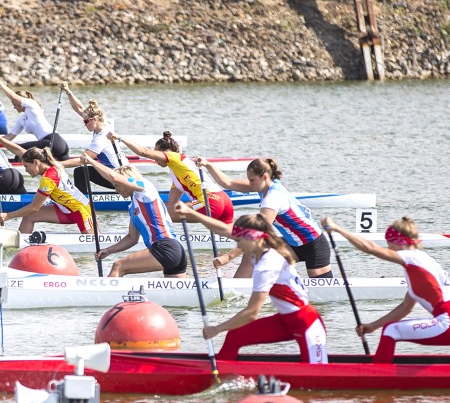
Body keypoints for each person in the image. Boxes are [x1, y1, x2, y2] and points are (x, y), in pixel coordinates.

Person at [321, 215, 450, 365]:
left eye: (389, 245)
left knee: (391, 330)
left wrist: (337, 229)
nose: (388, 249)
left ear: (399, 242)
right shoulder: (422, 265)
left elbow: (371, 248)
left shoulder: (412, 256)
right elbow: (405, 308)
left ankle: (377, 378)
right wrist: (373, 326)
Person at [181, 212, 328, 364]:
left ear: (253, 238)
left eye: (239, 240)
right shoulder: (259, 250)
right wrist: (190, 213)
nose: (237, 244)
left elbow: (252, 313)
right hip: (284, 320)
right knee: (236, 335)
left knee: (316, 380)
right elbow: (223, 229)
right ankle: (221, 373)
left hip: (307, 325)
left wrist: (217, 329)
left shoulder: (267, 266)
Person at [199, 157, 332, 280]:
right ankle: (236, 291)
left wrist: (229, 257)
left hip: (314, 245)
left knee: (326, 296)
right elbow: (228, 183)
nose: (250, 184)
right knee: (251, 253)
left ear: (264, 176)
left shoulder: (273, 198)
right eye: (249, 180)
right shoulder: (264, 185)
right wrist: (208, 165)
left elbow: (257, 233)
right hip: (294, 245)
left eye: (252, 180)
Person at [82, 154, 186, 278]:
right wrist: (109, 250)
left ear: (127, 181)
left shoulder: (145, 189)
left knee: (118, 266)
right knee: (172, 296)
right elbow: (132, 238)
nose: (116, 190)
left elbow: (114, 176)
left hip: (165, 247)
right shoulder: (133, 206)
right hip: (174, 252)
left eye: (117, 185)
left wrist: (90, 161)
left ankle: (102, 296)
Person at [111, 130, 233, 224]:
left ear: (167, 151)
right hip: (224, 199)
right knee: (232, 239)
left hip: (210, 201)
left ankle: (159, 241)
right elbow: (171, 204)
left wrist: (120, 138)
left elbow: (143, 152)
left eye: (157, 153)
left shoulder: (174, 156)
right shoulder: (177, 172)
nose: (155, 158)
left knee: (155, 214)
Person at [0, 146, 93, 234]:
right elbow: (19, 151)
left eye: (26, 166)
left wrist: (8, 215)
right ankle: (21, 247)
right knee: (29, 216)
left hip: (82, 211)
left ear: (36, 162)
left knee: (95, 247)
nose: (25, 170)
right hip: (65, 210)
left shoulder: (49, 178)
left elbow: (34, 207)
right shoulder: (51, 166)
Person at [59, 81, 122, 193]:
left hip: (118, 177)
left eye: (86, 121)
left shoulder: (102, 138)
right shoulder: (103, 123)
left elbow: (82, 160)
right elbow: (79, 108)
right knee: (82, 171)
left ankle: (82, 202)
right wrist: (68, 91)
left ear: (95, 120)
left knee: (80, 172)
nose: (84, 123)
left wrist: (56, 164)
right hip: (117, 172)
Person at [0, 78, 70, 160]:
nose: (14, 107)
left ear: (21, 103)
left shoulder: (32, 106)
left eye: (15, 104)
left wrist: (0, 83)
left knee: (20, 150)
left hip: (54, 142)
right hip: (49, 145)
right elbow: (9, 137)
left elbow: (13, 97)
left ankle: (14, 168)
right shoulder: (21, 120)